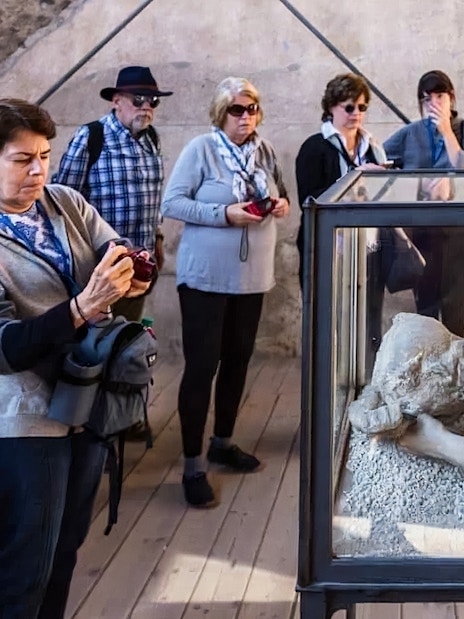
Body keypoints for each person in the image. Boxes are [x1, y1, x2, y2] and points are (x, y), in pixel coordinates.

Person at [0, 98, 153, 619]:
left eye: (44, 154)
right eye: (22, 159)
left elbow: (117, 255)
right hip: (27, 419)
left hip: (89, 402)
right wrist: (83, 307)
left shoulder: (65, 203)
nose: (39, 169)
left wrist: (136, 270)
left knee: (65, 552)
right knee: (26, 568)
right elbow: (5, 349)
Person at [161, 76, 290, 507]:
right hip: (205, 279)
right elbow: (173, 203)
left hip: (251, 278)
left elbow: (279, 191)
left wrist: (280, 204)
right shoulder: (201, 150)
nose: (246, 117)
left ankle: (222, 442)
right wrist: (224, 214)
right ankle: (193, 464)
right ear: (221, 113)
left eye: (252, 109)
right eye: (237, 110)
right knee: (202, 367)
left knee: (238, 361)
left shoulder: (264, 150)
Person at [54, 65, 173, 321]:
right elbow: (61, 200)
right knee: (96, 344)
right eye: (138, 100)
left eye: (153, 101)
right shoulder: (92, 136)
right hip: (100, 267)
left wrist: (158, 238)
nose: (146, 107)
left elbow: (153, 196)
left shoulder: (152, 139)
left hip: (140, 264)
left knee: (127, 339)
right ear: (116, 101)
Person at [295, 72, 388, 372]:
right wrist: (357, 179)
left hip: (368, 248)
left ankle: (365, 391)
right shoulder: (315, 146)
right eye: (349, 107)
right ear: (332, 107)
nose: (356, 114)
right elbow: (309, 200)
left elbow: (385, 197)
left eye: (361, 107)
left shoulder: (373, 146)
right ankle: (326, 403)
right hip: (327, 250)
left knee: (368, 322)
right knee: (327, 323)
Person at [384, 70, 464, 326]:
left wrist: (446, 132)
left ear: (451, 98)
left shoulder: (461, 129)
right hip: (423, 232)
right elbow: (377, 156)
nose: (434, 104)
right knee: (426, 309)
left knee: (457, 307)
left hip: (459, 235)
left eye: (440, 96)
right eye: (426, 99)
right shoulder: (410, 133)